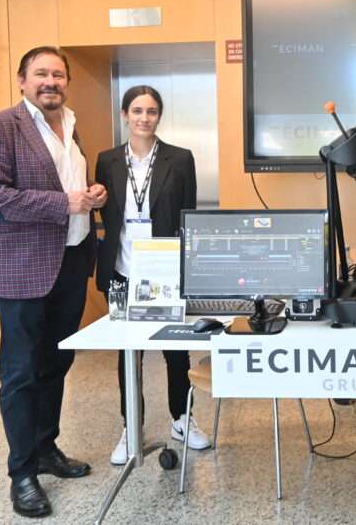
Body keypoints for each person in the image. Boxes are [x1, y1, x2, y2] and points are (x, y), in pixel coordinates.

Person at [0, 46, 107, 519]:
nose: (52, 81)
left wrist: (91, 194)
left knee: (56, 362)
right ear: (22, 80)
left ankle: (46, 449)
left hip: (71, 259)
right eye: (42, 73)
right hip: (23, 267)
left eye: (59, 74)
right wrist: (63, 203)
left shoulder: (69, 124)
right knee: (21, 371)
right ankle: (22, 474)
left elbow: (67, 184)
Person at [94, 85, 210, 465]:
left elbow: (188, 215)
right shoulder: (107, 160)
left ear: (159, 116)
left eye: (152, 111)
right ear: (124, 115)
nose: (144, 118)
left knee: (175, 350)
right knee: (128, 351)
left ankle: (182, 418)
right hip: (122, 270)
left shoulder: (180, 159)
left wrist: (187, 269)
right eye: (137, 111)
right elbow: (106, 213)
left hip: (164, 270)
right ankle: (131, 426)